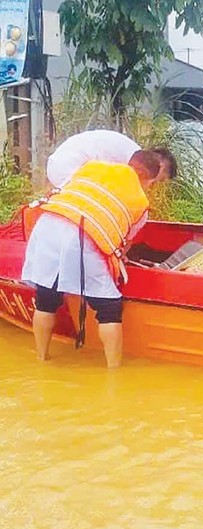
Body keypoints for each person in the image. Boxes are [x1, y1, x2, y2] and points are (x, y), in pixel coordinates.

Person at [22, 150, 164, 368]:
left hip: (47, 224)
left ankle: (41, 359)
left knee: (46, 297)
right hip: (82, 235)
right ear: (148, 178)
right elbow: (120, 247)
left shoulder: (92, 167)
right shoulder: (140, 202)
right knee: (109, 307)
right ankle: (114, 374)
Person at [46, 130, 178, 188]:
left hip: (60, 164)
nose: (158, 180)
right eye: (163, 174)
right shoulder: (136, 159)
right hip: (67, 169)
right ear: (159, 161)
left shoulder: (131, 150)